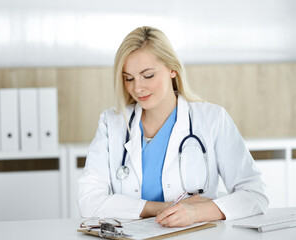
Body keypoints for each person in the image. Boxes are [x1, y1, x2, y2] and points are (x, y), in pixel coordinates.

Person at [78, 26, 268, 227]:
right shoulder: (111, 123)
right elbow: (89, 201)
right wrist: (165, 208)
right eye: (129, 78)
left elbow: (255, 195)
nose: (137, 88)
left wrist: (198, 212)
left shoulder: (212, 119)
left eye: (148, 75)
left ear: (172, 69)